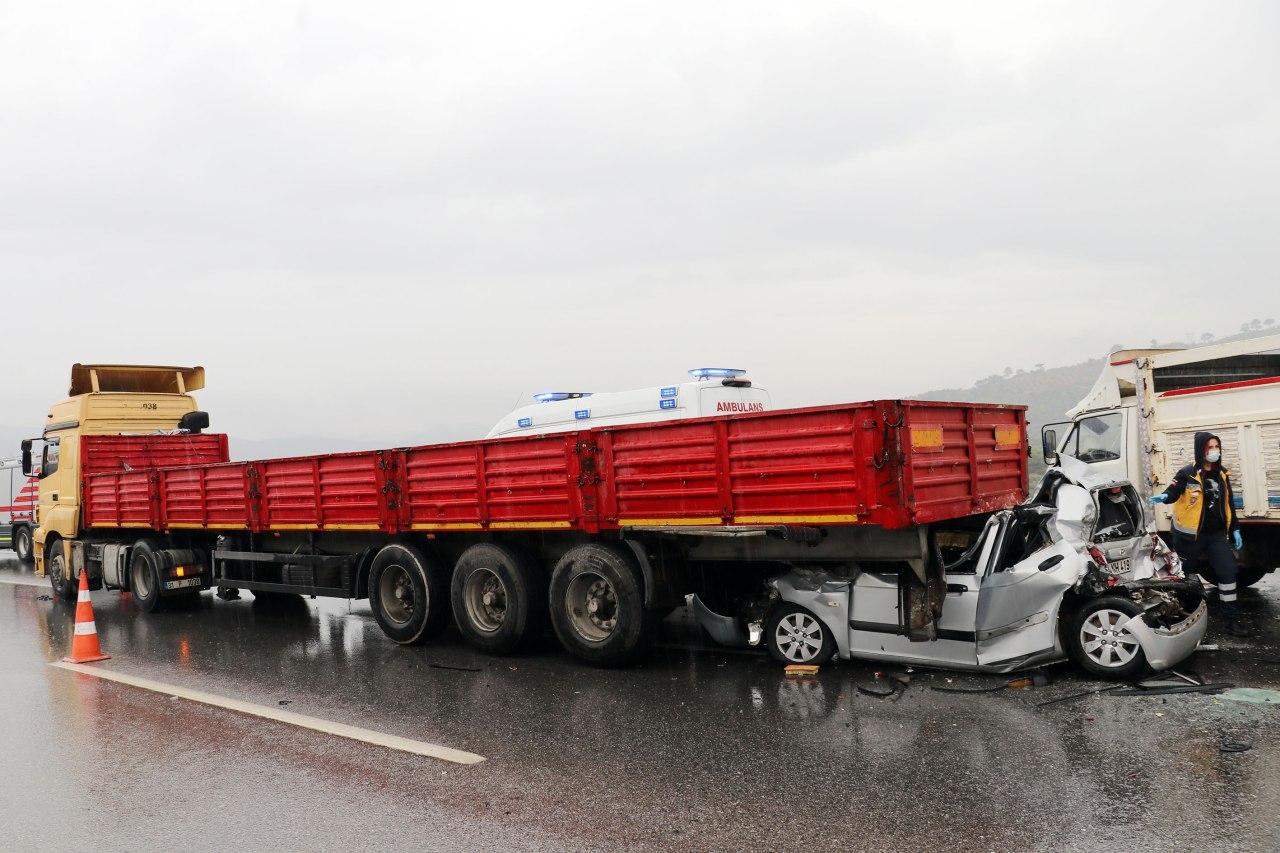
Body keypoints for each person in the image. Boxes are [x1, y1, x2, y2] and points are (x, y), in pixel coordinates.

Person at [1149, 432, 1248, 637]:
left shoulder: (1222, 474)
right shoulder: (1188, 473)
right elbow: (1173, 491)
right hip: (1189, 537)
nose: (1214, 451)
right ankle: (1185, 621)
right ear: (1201, 450)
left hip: (1216, 535)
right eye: (1209, 447)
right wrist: (1165, 497)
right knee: (1187, 578)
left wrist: (1235, 528)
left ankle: (1231, 621)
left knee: (1228, 572)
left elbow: (1228, 504)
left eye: (1216, 447)